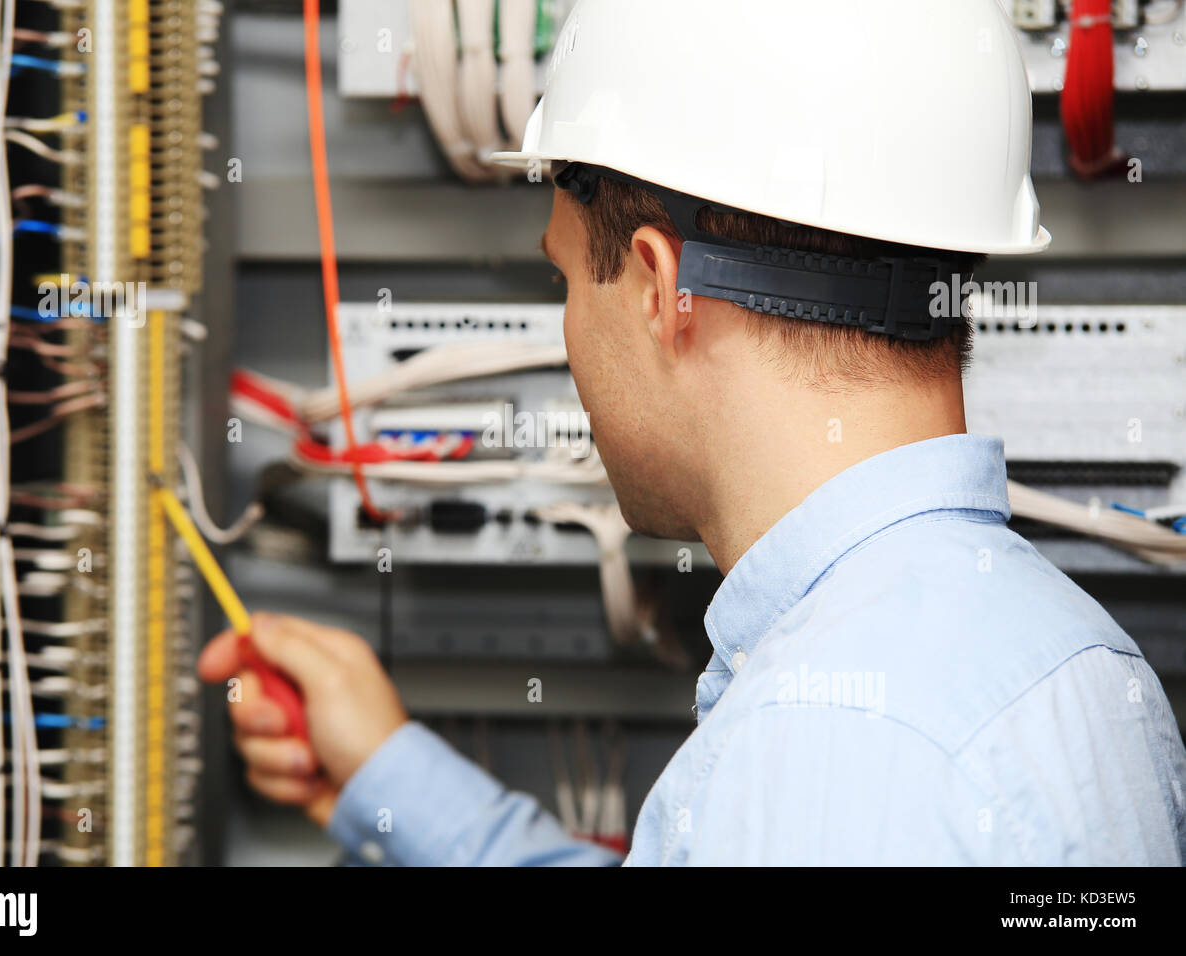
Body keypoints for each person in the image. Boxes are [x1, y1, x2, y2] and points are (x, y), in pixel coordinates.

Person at [197, 0, 1186, 864]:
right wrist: (386, 776)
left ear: (659, 285)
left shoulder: (827, 744)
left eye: (562, 280)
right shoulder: (1062, 662)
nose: (566, 334)